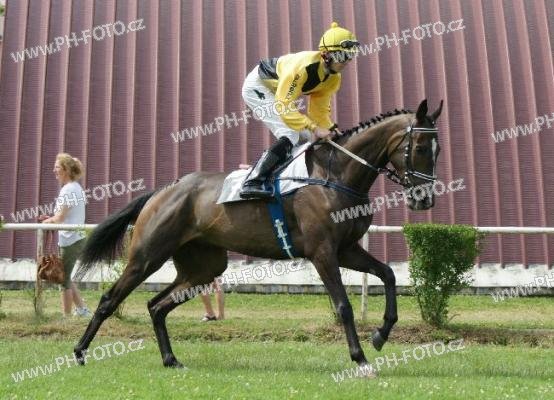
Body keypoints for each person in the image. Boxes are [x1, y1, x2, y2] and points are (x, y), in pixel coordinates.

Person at [240, 21, 360, 199]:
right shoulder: (302, 68)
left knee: (306, 138)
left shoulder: (333, 79)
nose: (347, 61)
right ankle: (253, 181)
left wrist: (329, 128)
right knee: (290, 134)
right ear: (326, 54)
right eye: (343, 55)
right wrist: (314, 127)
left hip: (279, 92)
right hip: (258, 86)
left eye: (350, 55)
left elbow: (319, 111)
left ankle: (276, 175)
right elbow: (283, 105)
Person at [40, 153, 91, 318]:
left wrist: (46, 222)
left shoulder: (68, 189)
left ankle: (66, 317)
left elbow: (60, 218)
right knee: (66, 276)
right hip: (74, 238)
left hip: (70, 239)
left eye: (56, 167)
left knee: (63, 280)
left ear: (66, 170)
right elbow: (64, 216)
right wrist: (51, 219)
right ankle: (82, 309)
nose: (53, 170)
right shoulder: (75, 187)